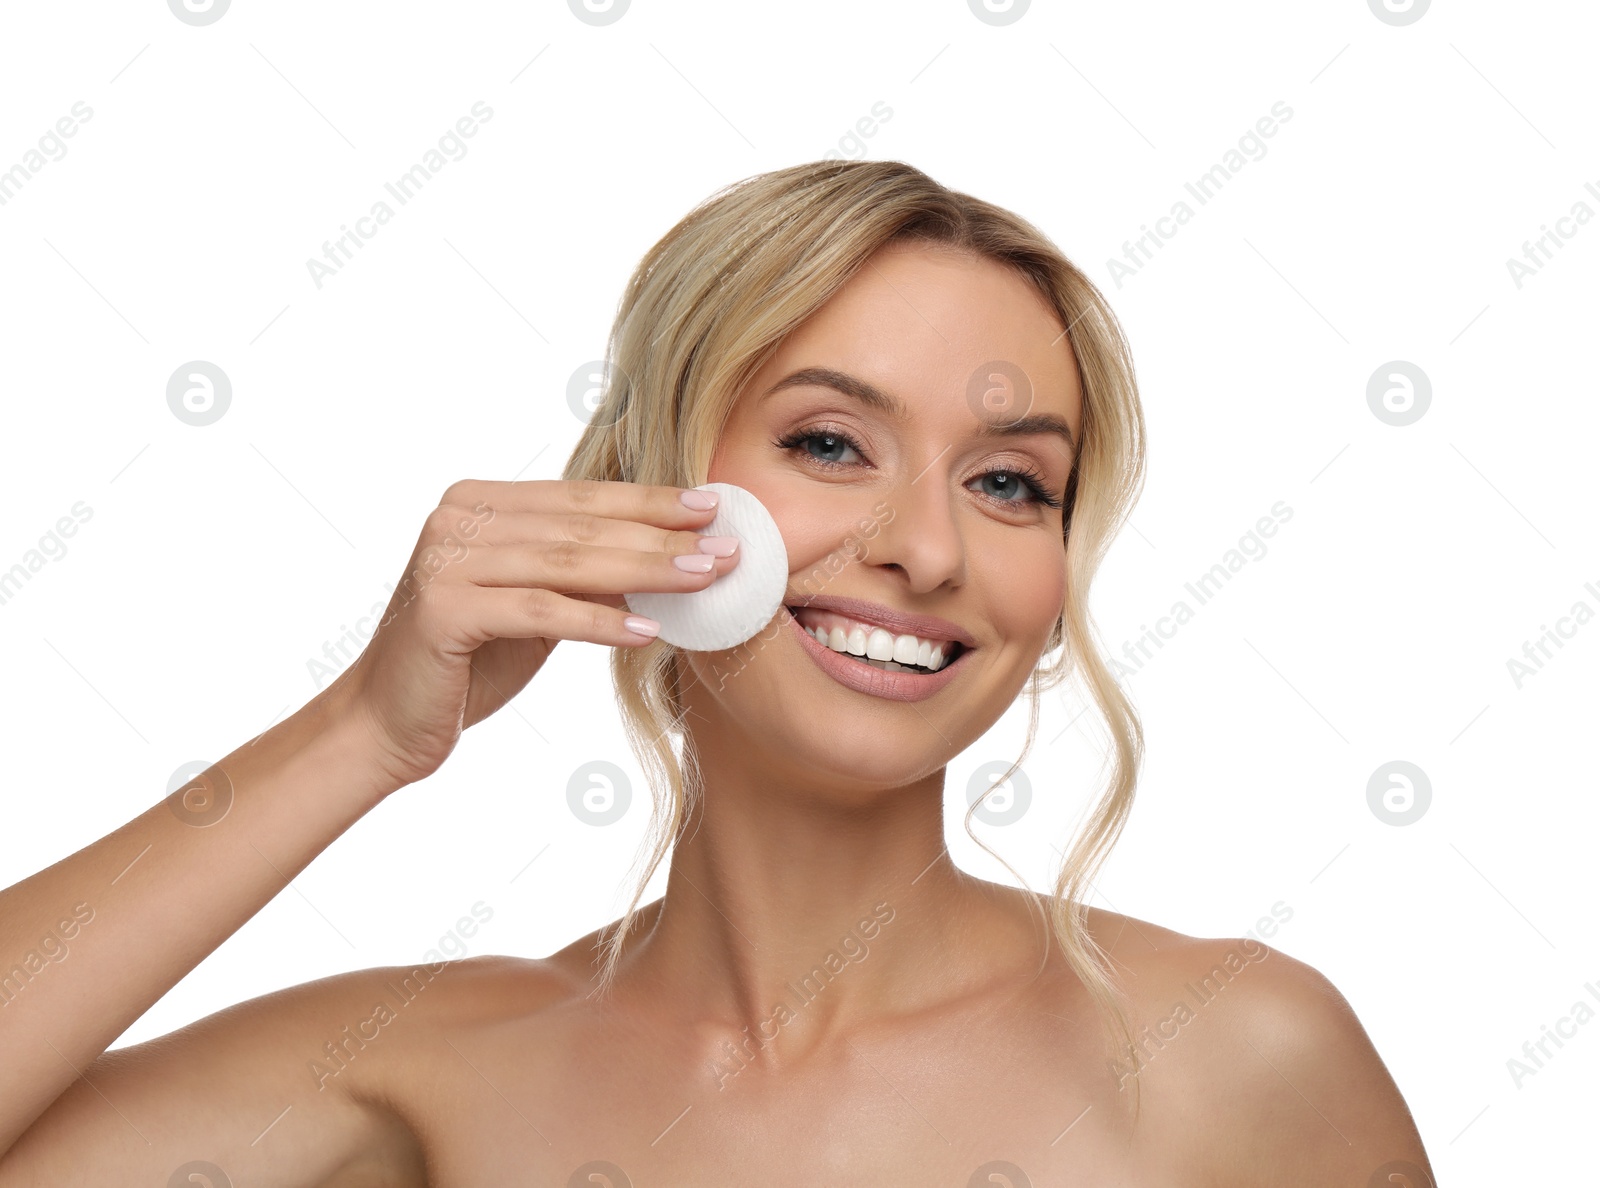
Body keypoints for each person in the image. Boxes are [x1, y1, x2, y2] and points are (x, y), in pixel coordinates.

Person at [0, 160, 1435, 1185]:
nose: (927, 550)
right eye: (828, 443)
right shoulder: (420, 1075)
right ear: (641, 498)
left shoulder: (1238, 1057)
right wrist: (362, 733)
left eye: (1009, 484)